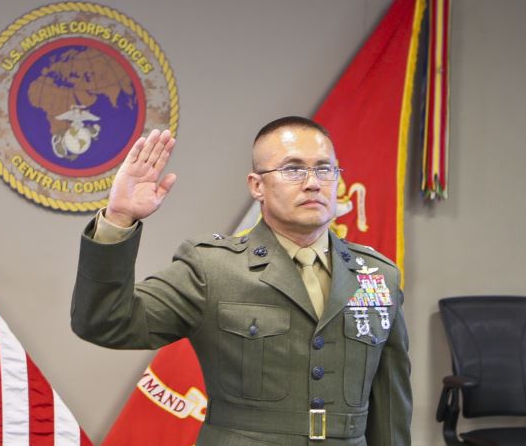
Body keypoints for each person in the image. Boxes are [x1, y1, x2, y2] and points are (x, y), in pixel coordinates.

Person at [71, 117, 411, 445]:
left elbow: (390, 409)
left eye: (325, 169)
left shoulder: (377, 275)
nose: (313, 182)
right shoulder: (212, 269)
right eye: (293, 169)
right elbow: (104, 321)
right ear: (257, 186)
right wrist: (119, 218)